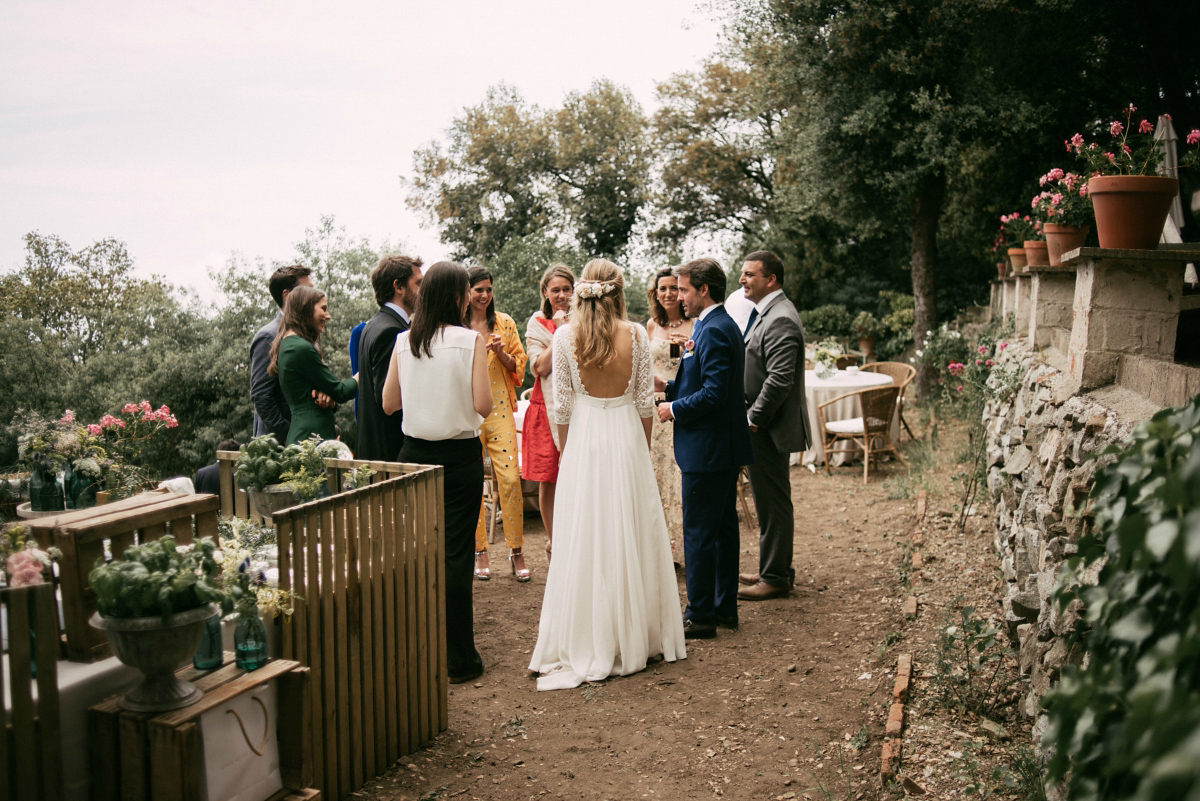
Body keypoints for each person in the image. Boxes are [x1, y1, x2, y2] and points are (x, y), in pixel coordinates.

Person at [528, 259, 686, 691]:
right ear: (618, 291)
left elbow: (561, 408)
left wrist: (568, 451)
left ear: (580, 291)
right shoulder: (635, 334)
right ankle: (637, 635)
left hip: (583, 440)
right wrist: (643, 449)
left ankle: (585, 634)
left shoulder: (562, 338)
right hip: (625, 438)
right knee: (630, 532)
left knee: (585, 536)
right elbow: (642, 404)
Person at [382, 261, 491, 684]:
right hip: (459, 458)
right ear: (458, 296)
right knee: (456, 556)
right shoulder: (470, 340)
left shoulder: (403, 340)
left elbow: (389, 403)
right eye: (467, 291)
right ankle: (459, 659)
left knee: (419, 553)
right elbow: (483, 405)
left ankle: (418, 649)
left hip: (414, 456)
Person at [655, 258, 754, 639]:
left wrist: (673, 409)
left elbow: (715, 393)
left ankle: (700, 615)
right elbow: (707, 382)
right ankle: (723, 608)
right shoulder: (713, 325)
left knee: (699, 532)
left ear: (703, 290)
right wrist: (669, 387)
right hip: (719, 446)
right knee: (723, 530)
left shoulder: (714, 329)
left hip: (709, 448)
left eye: (682, 289)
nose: (678, 296)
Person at [737, 250, 812, 601]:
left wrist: (754, 419)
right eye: (742, 274)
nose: (742, 280)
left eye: (750, 274)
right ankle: (774, 566)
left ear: (772, 280)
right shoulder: (766, 312)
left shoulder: (780, 316)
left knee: (774, 501)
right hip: (762, 425)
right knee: (768, 500)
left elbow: (780, 379)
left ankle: (776, 577)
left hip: (767, 426)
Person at [465, 267, 530, 582]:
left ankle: (516, 550)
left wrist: (502, 353)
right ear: (466, 292)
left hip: (501, 408)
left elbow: (520, 369)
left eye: (488, 289)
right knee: (473, 480)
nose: (484, 295)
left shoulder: (505, 323)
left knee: (509, 479)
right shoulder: (455, 327)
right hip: (467, 412)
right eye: (478, 289)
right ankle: (480, 551)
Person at [522, 264, 575, 557]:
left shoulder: (584, 319)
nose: (562, 295)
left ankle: (576, 534)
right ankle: (555, 541)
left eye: (567, 289)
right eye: (556, 290)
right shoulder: (537, 323)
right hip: (547, 410)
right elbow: (540, 367)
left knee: (577, 473)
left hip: (579, 408)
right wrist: (562, 332)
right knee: (549, 478)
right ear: (545, 292)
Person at [268, 286, 359, 445]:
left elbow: (320, 392)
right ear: (306, 308)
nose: (328, 316)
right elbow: (340, 391)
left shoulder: (288, 344)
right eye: (323, 309)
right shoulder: (300, 348)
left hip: (305, 433)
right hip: (312, 437)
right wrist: (361, 375)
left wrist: (329, 399)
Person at [645, 266, 693, 567]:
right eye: (662, 288)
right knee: (658, 478)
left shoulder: (694, 323)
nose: (668, 294)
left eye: (674, 288)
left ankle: (684, 549)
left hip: (683, 404)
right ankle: (660, 552)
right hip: (655, 409)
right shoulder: (651, 326)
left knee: (679, 477)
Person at [356, 254, 423, 461]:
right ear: (399, 287)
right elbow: (389, 402)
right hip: (390, 453)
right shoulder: (392, 331)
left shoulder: (376, 324)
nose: (424, 291)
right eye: (418, 283)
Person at [251, 265, 324, 442]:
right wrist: (292, 437)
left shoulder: (308, 334)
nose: (313, 296)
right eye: (307, 290)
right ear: (287, 295)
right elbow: (262, 397)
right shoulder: (268, 336)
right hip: (280, 449)